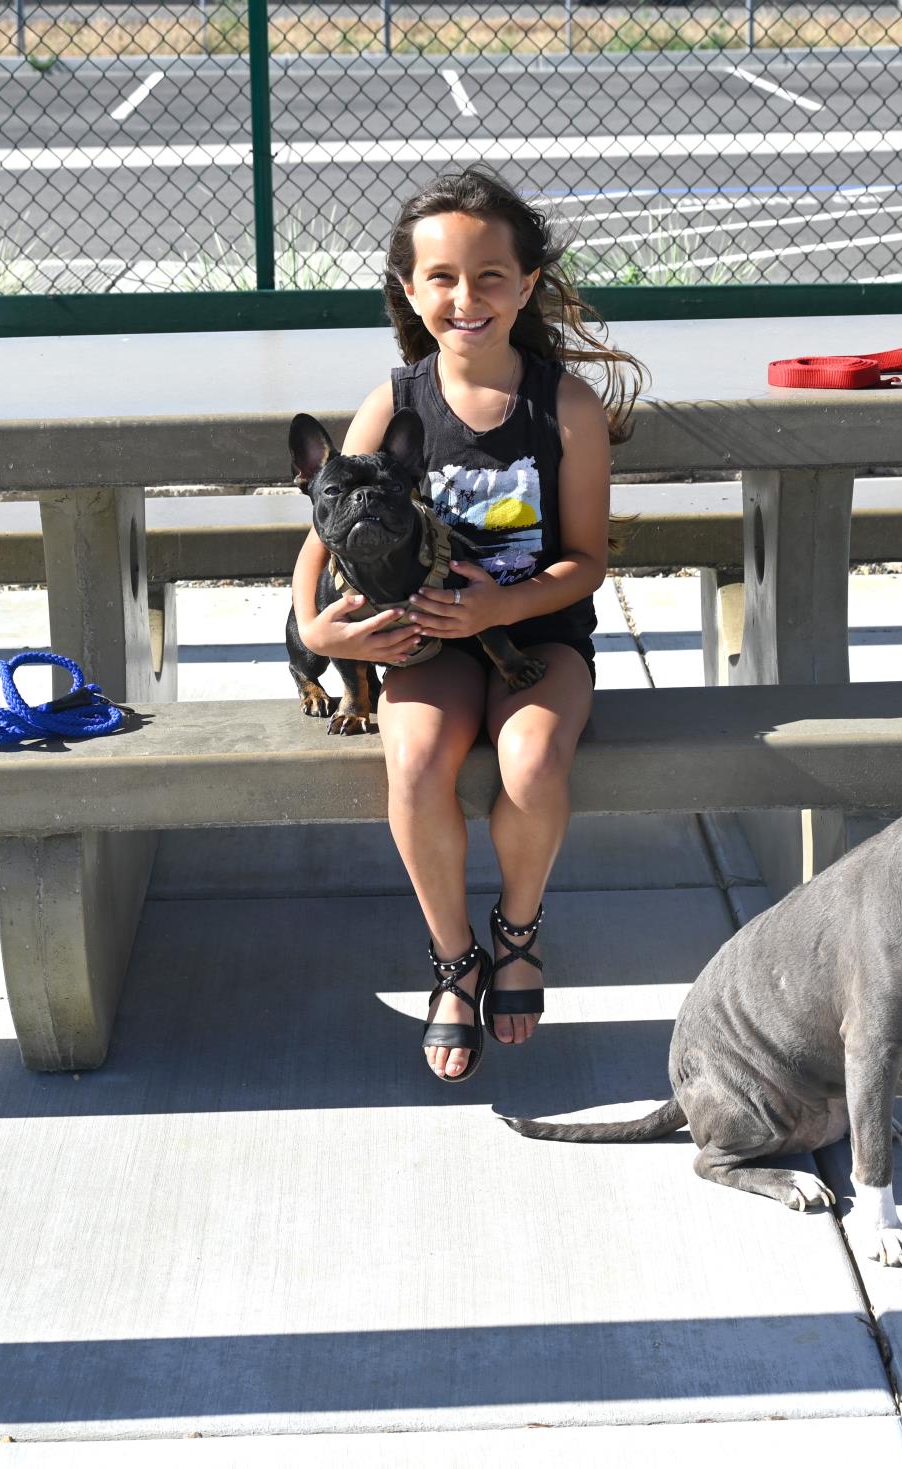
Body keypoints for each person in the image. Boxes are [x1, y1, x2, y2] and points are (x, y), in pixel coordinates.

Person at [290, 166, 646, 1083]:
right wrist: (319, 632)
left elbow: (586, 559)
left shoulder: (562, 408)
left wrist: (500, 605)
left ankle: (518, 933)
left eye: (491, 275)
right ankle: (455, 961)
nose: (467, 296)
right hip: (426, 639)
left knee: (530, 759)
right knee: (412, 762)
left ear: (527, 285)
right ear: (409, 291)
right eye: (441, 277)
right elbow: (322, 531)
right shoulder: (395, 403)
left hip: (540, 637)